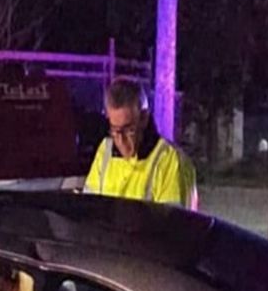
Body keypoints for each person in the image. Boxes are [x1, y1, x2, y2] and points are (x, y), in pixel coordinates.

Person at [84, 77, 198, 209]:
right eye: (115, 130)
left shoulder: (170, 161)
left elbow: (174, 220)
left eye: (129, 130)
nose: (120, 140)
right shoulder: (105, 150)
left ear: (144, 118)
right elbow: (90, 208)